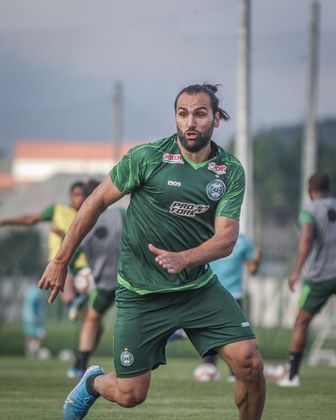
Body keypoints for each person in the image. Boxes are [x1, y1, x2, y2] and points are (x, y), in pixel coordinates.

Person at [39, 83, 266, 420]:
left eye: (200, 114)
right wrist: (60, 260)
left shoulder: (229, 170)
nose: (190, 122)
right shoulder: (147, 158)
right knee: (130, 395)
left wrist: (185, 258)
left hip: (197, 290)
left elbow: (227, 238)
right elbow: (96, 201)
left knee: (250, 362)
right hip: (140, 293)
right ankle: (92, 383)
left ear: (216, 119)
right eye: (182, 113)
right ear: (175, 117)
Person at [278, 172, 336, 387]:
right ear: (328, 188)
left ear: (310, 191)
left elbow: (307, 239)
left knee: (301, 322)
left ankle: (292, 375)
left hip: (319, 276)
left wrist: (297, 271)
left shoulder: (309, 210)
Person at [0, 181, 88, 312]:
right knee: (67, 294)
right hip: (62, 261)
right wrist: (5, 221)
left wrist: (62, 234)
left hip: (83, 264)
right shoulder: (58, 210)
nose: (80, 198)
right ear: (70, 195)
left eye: (83, 195)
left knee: (88, 310)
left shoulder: (89, 214)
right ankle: (75, 304)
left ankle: (79, 304)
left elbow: (87, 241)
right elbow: (31, 219)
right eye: (77, 194)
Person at [68, 179, 125, 379]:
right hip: (124, 279)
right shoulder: (120, 214)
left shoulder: (82, 220)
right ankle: (81, 363)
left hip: (108, 282)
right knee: (96, 320)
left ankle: (81, 364)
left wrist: (78, 275)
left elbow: (71, 257)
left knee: (93, 320)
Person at [198, 233, 262, 381]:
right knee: (210, 330)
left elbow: (252, 269)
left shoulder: (244, 241)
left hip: (235, 294)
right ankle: (209, 367)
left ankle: (234, 371)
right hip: (211, 292)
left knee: (236, 334)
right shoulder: (208, 235)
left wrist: (257, 262)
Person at [22, 282, 47, 358]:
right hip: (32, 318)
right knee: (35, 335)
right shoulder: (36, 291)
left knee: (35, 335)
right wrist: (34, 316)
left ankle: (32, 352)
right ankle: (31, 352)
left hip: (30, 317)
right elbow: (31, 303)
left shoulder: (31, 289)